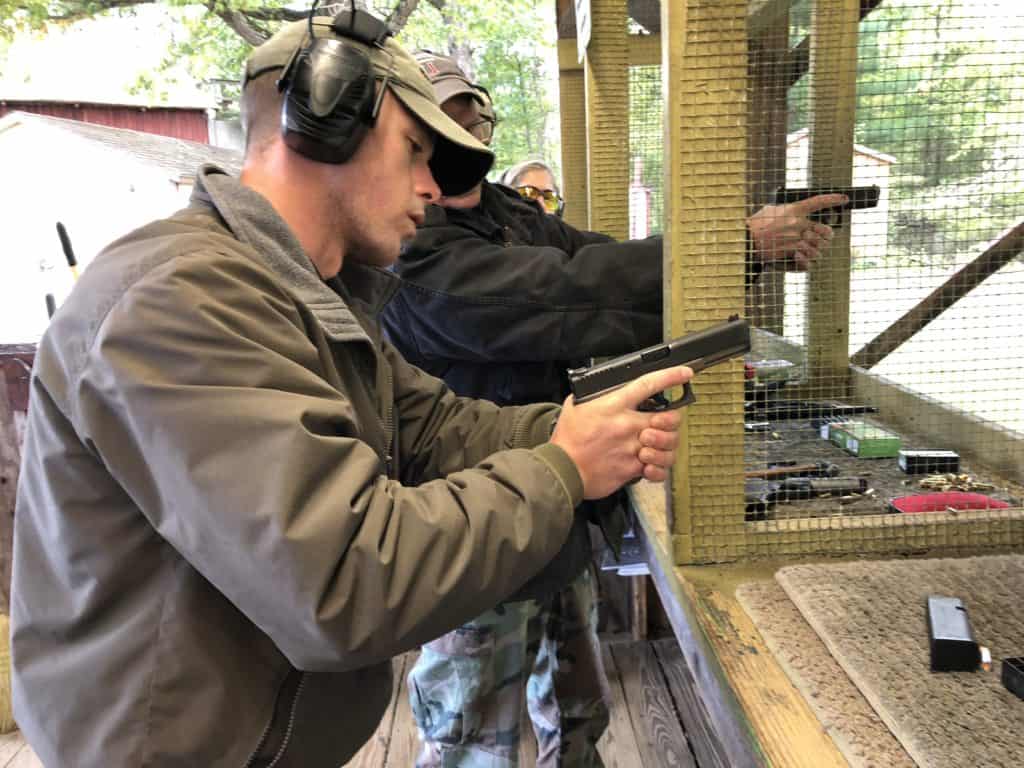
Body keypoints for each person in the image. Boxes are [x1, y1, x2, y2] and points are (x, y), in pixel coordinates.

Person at [9, 11, 692, 768]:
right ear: (324, 123)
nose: (433, 188)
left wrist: (587, 426)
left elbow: (436, 428)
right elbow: (344, 583)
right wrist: (564, 466)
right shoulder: (181, 298)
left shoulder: (303, 293)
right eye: (415, 151)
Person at [384, 52, 851, 768]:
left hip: (560, 504)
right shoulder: (415, 250)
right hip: (471, 525)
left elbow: (605, 261)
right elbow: (562, 293)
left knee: (578, 715)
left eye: (470, 118)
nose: (461, 135)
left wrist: (733, 257)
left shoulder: (510, 211)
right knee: (469, 740)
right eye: (440, 125)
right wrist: (737, 245)